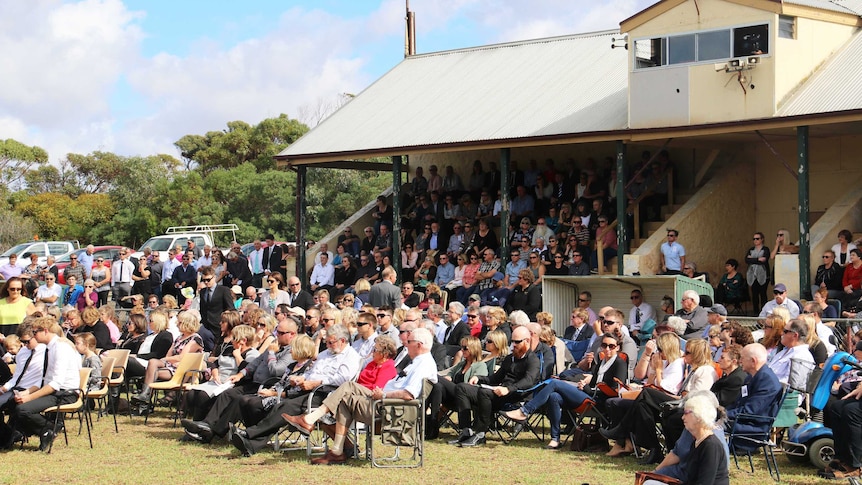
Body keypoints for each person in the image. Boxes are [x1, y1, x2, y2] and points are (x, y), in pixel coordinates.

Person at [277, 327, 437, 465]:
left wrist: (383, 395)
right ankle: (334, 447)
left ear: (419, 344)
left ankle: (317, 427)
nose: (405, 344)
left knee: (344, 397)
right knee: (348, 387)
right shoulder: (417, 361)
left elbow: (408, 394)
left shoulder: (424, 364)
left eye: (408, 342)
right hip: (382, 401)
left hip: (389, 408)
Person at [227, 325, 361, 457]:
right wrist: (300, 379)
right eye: (326, 342)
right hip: (308, 389)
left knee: (287, 407)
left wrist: (315, 383)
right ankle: (251, 443)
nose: (328, 345)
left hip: (328, 394)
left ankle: (249, 434)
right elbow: (312, 373)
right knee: (282, 406)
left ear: (342, 341)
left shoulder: (351, 356)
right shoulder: (324, 354)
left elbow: (343, 379)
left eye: (330, 342)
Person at [504, 332, 627, 450]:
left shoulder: (619, 363)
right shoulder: (601, 362)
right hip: (589, 395)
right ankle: (555, 438)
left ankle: (524, 411)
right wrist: (585, 385)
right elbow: (594, 384)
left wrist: (586, 387)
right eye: (604, 345)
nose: (607, 349)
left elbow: (615, 390)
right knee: (554, 396)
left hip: (600, 402)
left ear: (618, 347)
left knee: (554, 383)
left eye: (611, 346)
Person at [450, 326, 541, 447]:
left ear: (527, 341)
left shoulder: (533, 360)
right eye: (512, 341)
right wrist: (479, 378)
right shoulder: (510, 359)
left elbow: (529, 381)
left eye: (517, 342)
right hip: (499, 392)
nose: (513, 345)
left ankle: (480, 434)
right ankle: (466, 430)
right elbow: (495, 378)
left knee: (484, 393)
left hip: (517, 396)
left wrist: (508, 389)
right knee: (461, 387)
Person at [5, 317, 81, 452]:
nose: (33, 336)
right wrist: (27, 392)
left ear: (45, 331)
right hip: (54, 391)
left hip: (65, 393)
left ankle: (48, 429)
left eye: (35, 332)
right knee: (14, 402)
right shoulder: (50, 348)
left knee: (22, 409)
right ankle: (18, 433)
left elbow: (55, 384)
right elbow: (44, 381)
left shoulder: (60, 348)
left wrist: (29, 398)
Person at [642, 393, 730, 485]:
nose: (682, 417)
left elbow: (705, 482)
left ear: (699, 416)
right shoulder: (697, 442)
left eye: (686, 413)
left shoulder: (711, 446)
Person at [130, 311, 204, 404]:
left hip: (182, 370)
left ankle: (145, 399)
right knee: (153, 362)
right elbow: (168, 355)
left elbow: (182, 358)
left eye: (180, 322)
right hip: (170, 365)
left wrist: (167, 359)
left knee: (152, 372)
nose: (177, 324)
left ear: (187, 324)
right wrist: (167, 359)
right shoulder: (179, 338)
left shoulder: (195, 339)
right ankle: (145, 395)